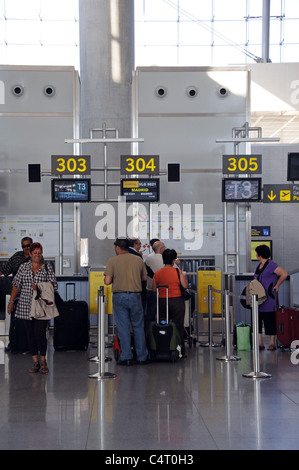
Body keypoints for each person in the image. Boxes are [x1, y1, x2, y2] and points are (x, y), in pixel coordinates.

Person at [7, 242, 57, 373]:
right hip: (25, 305)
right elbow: (16, 285)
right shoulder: (23, 267)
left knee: (40, 333)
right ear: (30, 254)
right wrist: (11, 302)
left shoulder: (47, 267)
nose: (37, 255)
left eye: (39, 253)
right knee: (30, 334)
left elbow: (54, 286)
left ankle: (43, 361)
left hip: (41, 306)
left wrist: (40, 286)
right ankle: (35, 362)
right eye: (35, 253)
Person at [104, 237, 149, 365]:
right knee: (138, 326)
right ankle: (142, 357)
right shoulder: (138, 259)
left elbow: (107, 281)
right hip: (135, 296)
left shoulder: (112, 261)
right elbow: (144, 277)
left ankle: (126, 357)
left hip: (119, 296)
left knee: (123, 327)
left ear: (118, 247)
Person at [152, 248, 188, 358]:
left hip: (162, 301)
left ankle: (163, 346)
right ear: (173, 260)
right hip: (177, 301)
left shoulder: (157, 273)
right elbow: (185, 286)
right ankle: (179, 351)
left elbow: (154, 289)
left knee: (163, 324)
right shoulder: (178, 272)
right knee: (178, 326)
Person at [0, 237, 33, 351]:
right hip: (17, 293)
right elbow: (4, 269)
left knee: (30, 322)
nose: (26, 248)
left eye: (28, 245)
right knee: (14, 320)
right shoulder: (17, 257)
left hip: (31, 295)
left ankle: (30, 345)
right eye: (24, 246)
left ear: (32, 245)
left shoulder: (37, 257)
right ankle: (13, 344)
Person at [254, 244, 288, 351]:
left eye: (257, 253)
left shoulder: (271, 265)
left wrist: (277, 285)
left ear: (260, 254)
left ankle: (272, 343)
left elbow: (284, 274)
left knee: (270, 319)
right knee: (258, 319)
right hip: (258, 298)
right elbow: (255, 279)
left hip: (269, 297)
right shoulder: (259, 266)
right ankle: (260, 343)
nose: (255, 255)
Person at [144, 240, 166, 329]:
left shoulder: (148, 258)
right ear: (161, 249)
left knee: (150, 315)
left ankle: (149, 336)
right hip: (164, 291)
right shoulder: (165, 259)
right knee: (163, 315)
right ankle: (163, 334)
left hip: (150, 289)